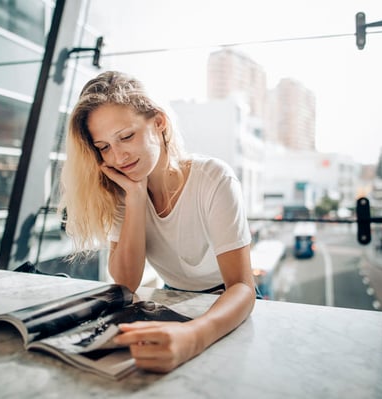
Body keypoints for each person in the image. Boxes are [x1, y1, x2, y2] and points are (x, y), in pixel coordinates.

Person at [59, 71, 256, 373]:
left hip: (228, 308)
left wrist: (193, 337)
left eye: (126, 136)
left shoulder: (214, 178)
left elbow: (242, 286)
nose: (118, 156)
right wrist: (136, 197)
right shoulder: (125, 189)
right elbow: (125, 283)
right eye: (104, 147)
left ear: (159, 122)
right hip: (174, 302)